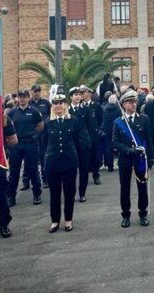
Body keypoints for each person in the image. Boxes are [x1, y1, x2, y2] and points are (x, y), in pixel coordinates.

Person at [41, 91, 86, 233]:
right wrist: (44, 162)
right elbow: (43, 144)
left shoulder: (73, 121)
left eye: (61, 103)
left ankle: (68, 220)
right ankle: (55, 221)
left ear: (65, 105)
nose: (58, 106)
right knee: (54, 194)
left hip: (69, 161)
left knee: (69, 192)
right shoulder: (48, 123)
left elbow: (79, 141)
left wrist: (78, 159)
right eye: (55, 104)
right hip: (53, 162)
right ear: (52, 106)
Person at [112, 90, 153, 227]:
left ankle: (143, 213)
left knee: (142, 187)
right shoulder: (118, 122)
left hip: (140, 160)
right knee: (125, 189)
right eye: (130, 102)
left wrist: (150, 159)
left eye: (134, 102)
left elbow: (148, 139)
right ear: (123, 105)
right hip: (125, 160)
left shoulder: (144, 119)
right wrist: (129, 150)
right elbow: (115, 142)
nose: (133, 104)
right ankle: (125, 215)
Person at [7, 89, 44, 206]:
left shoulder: (34, 111)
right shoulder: (12, 113)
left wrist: (33, 135)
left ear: (28, 98)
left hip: (30, 143)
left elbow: (40, 126)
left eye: (24, 97)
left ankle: (37, 194)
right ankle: (11, 196)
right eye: (20, 97)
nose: (22, 99)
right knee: (14, 171)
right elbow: (7, 127)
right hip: (16, 144)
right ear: (17, 98)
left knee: (33, 170)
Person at [28, 84, 52, 189]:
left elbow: (51, 115)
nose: (37, 92)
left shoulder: (46, 103)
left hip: (43, 134)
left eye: (38, 90)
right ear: (31, 91)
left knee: (43, 156)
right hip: (32, 134)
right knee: (30, 159)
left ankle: (45, 178)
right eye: (35, 90)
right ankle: (26, 181)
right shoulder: (28, 103)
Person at [80, 85, 105, 184]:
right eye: (80, 93)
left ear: (89, 93)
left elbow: (101, 119)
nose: (82, 94)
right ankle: (84, 177)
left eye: (83, 92)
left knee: (95, 157)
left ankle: (96, 175)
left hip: (94, 135)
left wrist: (99, 130)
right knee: (85, 158)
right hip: (83, 137)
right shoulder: (80, 106)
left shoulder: (96, 106)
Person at [101, 94, 122, 172]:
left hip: (107, 131)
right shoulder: (119, 109)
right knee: (119, 147)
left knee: (108, 148)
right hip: (117, 130)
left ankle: (110, 166)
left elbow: (104, 120)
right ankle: (120, 163)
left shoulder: (105, 109)